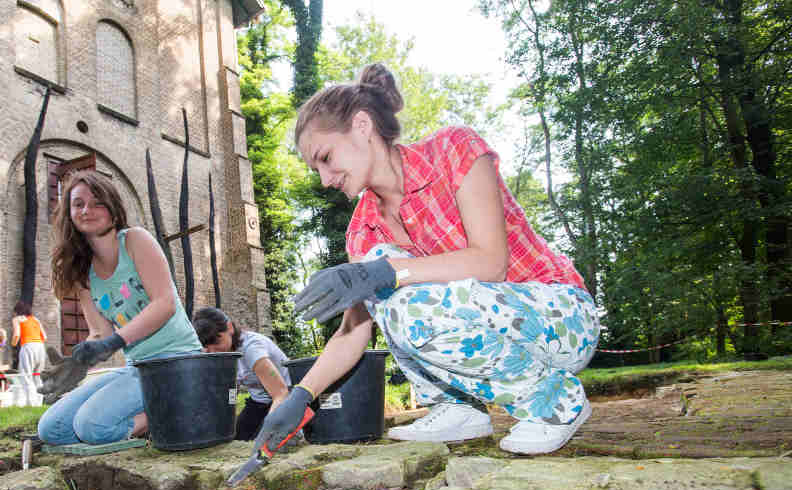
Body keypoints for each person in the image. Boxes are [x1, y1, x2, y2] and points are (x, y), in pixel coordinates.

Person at [255, 63, 600, 456]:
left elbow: (491, 264)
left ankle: (555, 401)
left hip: (560, 317)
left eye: (325, 157)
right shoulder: (363, 231)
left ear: (362, 126)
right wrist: (300, 396)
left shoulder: (453, 150)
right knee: (381, 269)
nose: (325, 178)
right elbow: (353, 332)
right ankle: (456, 406)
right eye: (315, 168)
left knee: (389, 277)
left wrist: (386, 272)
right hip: (486, 331)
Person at [37, 169, 202, 445]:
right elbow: (100, 333)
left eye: (97, 202)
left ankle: (172, 408)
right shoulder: (83, 273)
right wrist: (78, 362)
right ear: (70, 213)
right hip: (136, 367)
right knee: (52, 429)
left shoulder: (135, 240)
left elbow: (164, 304)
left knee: (90, 427)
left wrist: (113, 342)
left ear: (113, 209)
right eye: (78, 204)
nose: (87, 210)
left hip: (176, 361)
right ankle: (147, 414)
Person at [193, 307, 292, 441]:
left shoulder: (252, 349)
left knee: (263, 439)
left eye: (216, 342)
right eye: (206, 346)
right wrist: (227, 413)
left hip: (287, 398)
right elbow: (233, 390)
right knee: (234, 438)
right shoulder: (223, 354)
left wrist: (268, 431)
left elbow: (281, 393)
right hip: (259, 401)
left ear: (230, 328)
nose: (212, 351)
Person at [11, 300, 47, 407]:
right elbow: (44, 337)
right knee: (37, 375)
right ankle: (39, 402)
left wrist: (13, 344)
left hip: (28, 346)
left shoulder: (17, 319)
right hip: (40, 347)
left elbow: (17, 335)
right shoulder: (35, 319)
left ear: (17, 311)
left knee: (26, 375)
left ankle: (31, 403)